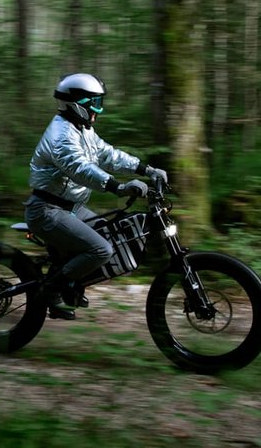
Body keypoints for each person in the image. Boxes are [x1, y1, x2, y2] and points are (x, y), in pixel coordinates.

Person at [24, 73, 168, 320]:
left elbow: (108, 155)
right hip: (47, 210)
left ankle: (70, 284)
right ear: (77, 103)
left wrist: (147, 169)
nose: (98, 110)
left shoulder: (82, 129)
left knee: (108, 234)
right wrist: (118, 187)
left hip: (70, 207)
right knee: (101, 249)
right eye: (95, 103)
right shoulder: (61, 136)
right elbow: (81, 168)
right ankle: (50, 291)